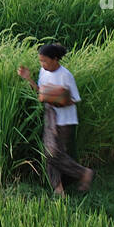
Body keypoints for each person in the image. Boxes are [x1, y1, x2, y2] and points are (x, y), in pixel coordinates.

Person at [18, 42, 95, 197]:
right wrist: (28, 79)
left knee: (55, 154)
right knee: (49, 153)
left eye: (45, 61)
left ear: (55, 59)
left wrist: (57, 99)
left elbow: (74, 98)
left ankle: (82, 174)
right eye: (40, 61)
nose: (42, 64)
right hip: (50, 117)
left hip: (65, 120)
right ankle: (59, 187)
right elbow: (40, 92)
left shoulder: (66, 75)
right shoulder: (43, 72)